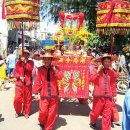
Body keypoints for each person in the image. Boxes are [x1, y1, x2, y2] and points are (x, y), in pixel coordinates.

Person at [33, 52, 63, 130]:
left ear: (51, 60)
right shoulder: (40, 69)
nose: (47, 61)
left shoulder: (56, 68)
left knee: (52, 113)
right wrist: (36, 93)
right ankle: (42, 122)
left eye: (48, 59)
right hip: (44, 94)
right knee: (43, 111)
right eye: (45, 59)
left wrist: (55, 70)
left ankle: (48, 127)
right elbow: (37, 81)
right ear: (43, 60)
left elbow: (60, 77)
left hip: (54, 94)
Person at [89, 54, 119, 130]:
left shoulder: (111, 72)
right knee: (95, 112)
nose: (107, 63)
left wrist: (114, 95)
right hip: (98, 96)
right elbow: (91, 79)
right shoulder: (96, 70)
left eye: (109, 61)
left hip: (108, 96)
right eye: (105, 61)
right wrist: (98, 71)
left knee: (107, 115)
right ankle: (93, 120)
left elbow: (113, 84)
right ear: (102, 62)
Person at [13, 50, 34, 119]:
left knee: (27, 99)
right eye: (23, 54)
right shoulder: (18, 63)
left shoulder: (31, 62)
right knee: (17, 99)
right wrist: (19, 77)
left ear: (28, 55)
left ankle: (26, 112)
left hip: (28, 84)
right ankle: (18, 111)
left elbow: (30, 69)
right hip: (19, 84)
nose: (24, 55)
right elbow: (15, 72)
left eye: (26, 54)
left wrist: (25, 62)